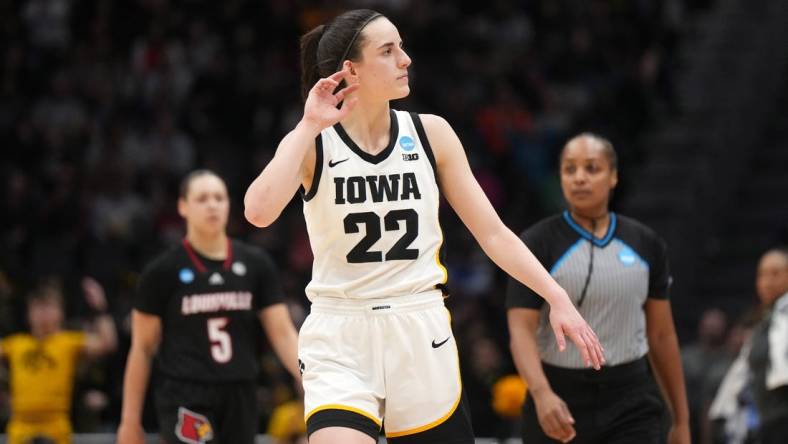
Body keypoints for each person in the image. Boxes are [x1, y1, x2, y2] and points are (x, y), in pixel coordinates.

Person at [244, 9, 604, 444]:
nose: (406, 59)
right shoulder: (313, 142)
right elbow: (258, 212)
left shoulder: (431, 134)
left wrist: (556, 295)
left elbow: (492, 233)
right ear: (351, 70)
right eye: (389, 51)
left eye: (402, 47)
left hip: (419, 327)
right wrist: (307, 125)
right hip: (341, 334)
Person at [506, 133, 690, 444]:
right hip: (559, 393)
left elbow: (662, 335)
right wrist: (542, 394)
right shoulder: (537, 242)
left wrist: (681, 420)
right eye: (569, 169)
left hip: (632, 397)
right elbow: (520, 330)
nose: (579, 178)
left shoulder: (646, 243)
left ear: (614, 176)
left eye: (592, 168)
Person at [116, 170, 300, 444]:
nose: (212, 205)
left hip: (241, 392)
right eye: (202, 198)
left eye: (219, 198)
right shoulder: (161, 272)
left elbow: (283, 333)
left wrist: (310, 379)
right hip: (186, 393)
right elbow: (142, 349)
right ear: (183, 206)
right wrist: (129, 421)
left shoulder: (256, 265)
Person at [0, 276, 117, 444]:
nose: (43, 314)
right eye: (38, 307)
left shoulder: (68, 342)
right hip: (21, 426)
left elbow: (107, 343)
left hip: (55, 425)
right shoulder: (16, 344)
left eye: (48, 307)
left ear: (60, 312)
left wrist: (100, 309)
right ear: (29, 313)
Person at [709, 248, 788, 444]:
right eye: (762, 274)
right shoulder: (762, 324)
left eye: (776, 273)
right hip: (768, 424)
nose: (767, 281)